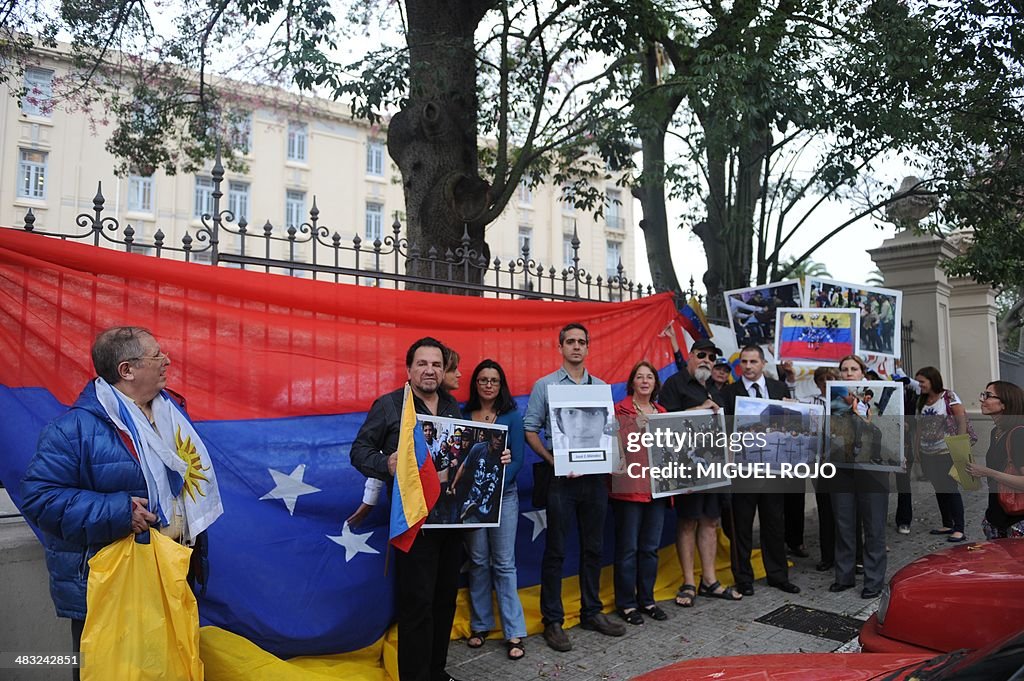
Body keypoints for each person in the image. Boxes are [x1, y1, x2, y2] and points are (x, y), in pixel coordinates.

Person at [21, 326, 221, 681]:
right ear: (126, 370)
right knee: (106, 670)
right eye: (156, 356)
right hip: (108, 584)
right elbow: (40, 497)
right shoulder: (74, 429)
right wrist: (119, 511)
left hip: (170, 572)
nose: (167, 361)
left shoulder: (171, 415)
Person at [350, 337, 467, 681]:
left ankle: (437, 670)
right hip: (413, 522)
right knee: (416, 605)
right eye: (422, 364)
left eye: (436, 364)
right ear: (409, 369)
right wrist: (385, 463)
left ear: (444, 370)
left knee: (445, 600)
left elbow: (459, 456)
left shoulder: (451, 406)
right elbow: (358, 450)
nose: (430, 370)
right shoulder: (389, 406)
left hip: (450, 521)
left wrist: (494, 457)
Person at [524, 322, 626, 652]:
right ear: (561, 347)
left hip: (595, 480)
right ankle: (552, 620)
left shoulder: (600, 388)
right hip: (561, 480)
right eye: (570, 341)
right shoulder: (545, 386)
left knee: (593, 548)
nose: (577, 347)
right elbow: (529, 430)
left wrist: (613, 455)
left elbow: (607, 433)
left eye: (582, 342)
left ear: (588, 347)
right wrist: (554, 460)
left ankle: (591, 612)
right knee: (555, 550)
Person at [658, 338, 741, 607]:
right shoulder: (675, 384)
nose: (707, 360)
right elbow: (662, 423)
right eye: (702, 354)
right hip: (687, 468)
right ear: (691, 355)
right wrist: (697, 410)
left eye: (712, 357)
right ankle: (688, 582)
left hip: (714, 470)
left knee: (710, 522)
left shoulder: (717, 389)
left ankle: (709, 580)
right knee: (688, 522)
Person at [461, 359, 528, 660]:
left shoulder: (512, 416)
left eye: (494, 380)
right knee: (477, 561)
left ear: (501, 385)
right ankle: (480, 625)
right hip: (471, 500)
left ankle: (514, 630)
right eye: (483, 380)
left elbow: (517, 461)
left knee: (503, 563)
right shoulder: (463, 414)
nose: (488, 385)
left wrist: (498, 483)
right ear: (475, 384)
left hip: (504, 497)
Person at [721, 345, 800, 596]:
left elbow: (793, 423)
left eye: (753, 361)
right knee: (742, 527)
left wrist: (794, 409)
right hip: (743, 469)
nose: (748, 366)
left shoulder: (778, 389)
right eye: (744, 361)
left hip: (774, 468)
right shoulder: (729, 392)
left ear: (763, 363)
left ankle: (777, 576)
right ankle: (743, 578)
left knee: (774, 524)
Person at [611, 360, 669, 626]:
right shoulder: (618, 411)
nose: (645, 381)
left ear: (655, 383)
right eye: (640, 377)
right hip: (628, 491)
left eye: (650, 377)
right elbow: (611, 449)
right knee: (628, 549)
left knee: (649, 549)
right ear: (632, 382)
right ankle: (626, 604)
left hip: (656, 492)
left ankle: (647, 599)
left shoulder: (663, 411)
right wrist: (637, 426)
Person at [829, 354, 888, 600]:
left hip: (873, 472)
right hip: (841, 469)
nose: (849, 372)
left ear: (863, 372)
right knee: (844, 525)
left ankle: (873, 581)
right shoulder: (833, 402)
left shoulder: (873, 402)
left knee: (874, 527)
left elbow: (888, 432)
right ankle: (844, 576)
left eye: (854, 369)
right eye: (844, 369)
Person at [913, 366, 968, 542]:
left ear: (932, 380)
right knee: (938, 488)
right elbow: (919, 426)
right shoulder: (921, 400)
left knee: (950, 488)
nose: (919, 385)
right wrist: (916, 449)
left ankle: (959, 528)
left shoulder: (948, 397)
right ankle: (947, 523)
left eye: (922, 381)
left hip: (946, 451)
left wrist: (959, 447)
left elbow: (961, 420)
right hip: (927, 452)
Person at [966, 381, 1024, 538]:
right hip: (997, 516)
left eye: (988, 396)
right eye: (983, 394)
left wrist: (988, 472)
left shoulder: (1018, 434)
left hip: (1016, 521)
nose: (982, 399)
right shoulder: (996, 432)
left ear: (1005, 404)